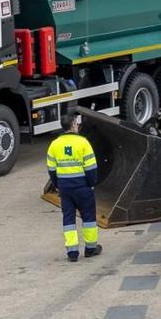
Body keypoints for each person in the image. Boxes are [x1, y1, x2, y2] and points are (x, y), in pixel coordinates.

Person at [46, 111, 102, 260]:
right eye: (76, 123)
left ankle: (72, 252)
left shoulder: (54, 145)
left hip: (65, 189)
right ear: (73, 125)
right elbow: (91, 168)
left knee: (68, 220)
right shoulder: (83, 142)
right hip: (83, 187)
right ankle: (90, 249)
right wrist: (91, 184)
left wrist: (59, 185)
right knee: (89, 218)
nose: (77, 125)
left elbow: (51, 170)